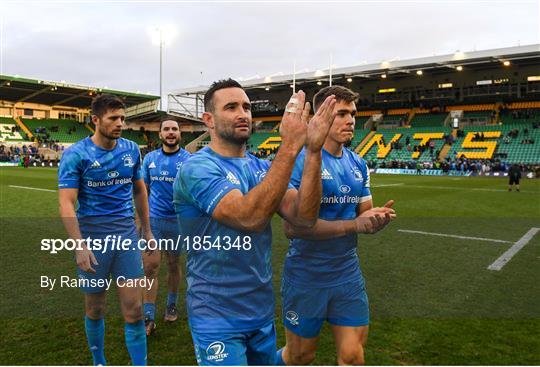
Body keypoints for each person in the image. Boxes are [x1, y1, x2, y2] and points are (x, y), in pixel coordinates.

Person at [173, 78, 336, 365]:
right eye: (231, 107)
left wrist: (312, 151)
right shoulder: (196, 168)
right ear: (208, 120)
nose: (243, 113)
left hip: (259, 311)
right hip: (216, 313)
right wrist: (289, 145)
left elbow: (305, 217)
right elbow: (249, 217)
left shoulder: (261, 168)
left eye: (247, 107)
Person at [275, 86, 396, 366]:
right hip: (306, 276)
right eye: (341, 113)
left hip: (347, 275)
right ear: (321, 117)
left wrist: (376, 219)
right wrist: (355, 225)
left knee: (353, 358)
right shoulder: (297, 159)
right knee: (300, 357)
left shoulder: (359, 164)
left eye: (353, 113)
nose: (351, 120)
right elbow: (293, 228)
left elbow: (364, 214)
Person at [58, 94, 153, 365]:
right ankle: (99, 361)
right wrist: (79, 246)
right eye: (113, 118)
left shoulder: (132, 149)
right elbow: (66, 202)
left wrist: (147, 231)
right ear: (96, 120)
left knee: (134, 311)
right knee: (96, 308)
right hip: (93, 239)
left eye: (123, 118)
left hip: (125, 237)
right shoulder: (76, 154)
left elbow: (139, 190)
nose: (120, 123)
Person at [141, 118, 191, 335]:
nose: (171, 132)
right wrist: (139, 222)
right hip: (154, 222)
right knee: (150, 267)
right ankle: (148, 316)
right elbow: (142, 192)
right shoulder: (150, 159)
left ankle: (171, 304)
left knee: (173, 265)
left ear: (180, 134)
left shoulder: (189, 160)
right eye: (166, 129)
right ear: (160, 134)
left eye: (174, 129)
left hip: (177, 223)